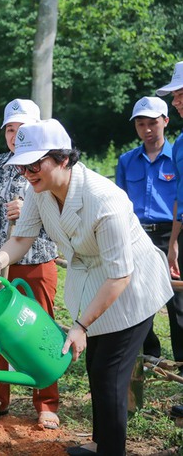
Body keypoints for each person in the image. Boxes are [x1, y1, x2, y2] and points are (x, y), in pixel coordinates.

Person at [0, 119, 172, 456]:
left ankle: (111, 450)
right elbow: (21, 237)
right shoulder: (42, 192)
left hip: (132, 287)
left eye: (35, 164)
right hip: (97, 281)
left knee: (109, 374)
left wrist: (81, 325)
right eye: (23, 166)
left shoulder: (103, 199)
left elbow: (120, 276)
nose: (27, 173)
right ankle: (100, 443)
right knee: (97, 367)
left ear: (63, 158)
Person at [0, 99, 60, 429]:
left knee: (40, 328)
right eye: (9, 129)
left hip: (36, 257)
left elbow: (59, 213)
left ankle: (45, 401)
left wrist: (29, 209)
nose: (14, 134)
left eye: (21, 129)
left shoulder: (46, 165)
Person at [116, 96, 183, 367]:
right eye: (141, 124)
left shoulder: (176, 155)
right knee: (139, 295)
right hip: (138, 233)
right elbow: (120, 201)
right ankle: (148, 355)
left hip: (171, 233)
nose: (147, 129)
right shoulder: (127, 161)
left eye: (153, 123)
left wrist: (175, 241)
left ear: (165, 122)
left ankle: (181, 360)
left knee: (177, 300)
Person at [157, 60, 183, 419]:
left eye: (181, 94)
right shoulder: (180, 144)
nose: (176, 101)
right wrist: (175, 240)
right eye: (175, 96)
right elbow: (178, 194)